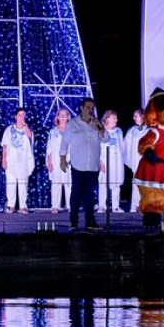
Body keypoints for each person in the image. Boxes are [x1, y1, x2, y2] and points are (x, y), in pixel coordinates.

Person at [60, 98, 102, 231]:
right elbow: (65, 142)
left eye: (92, 107)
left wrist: (98, 125)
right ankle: (74, 222)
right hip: (78, 165)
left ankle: (90, 221)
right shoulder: (73, 123)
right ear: (81, 108)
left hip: (93, 165)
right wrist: (62, 159)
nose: (90, 110)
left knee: (90, 195)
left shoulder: (96, 123)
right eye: (88, 107)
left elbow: (106, 138)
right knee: (76, 194)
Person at [1, 107, 35, 213]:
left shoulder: (27, 129)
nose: (22, 117)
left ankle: (23, 206)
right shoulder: (9, 129)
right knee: (11, 183)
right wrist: (4, 159)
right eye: (20, 115)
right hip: (11, 160)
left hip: (23, 161)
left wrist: (25, 126)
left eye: (24, 115)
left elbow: (30, 137)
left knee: (23, 184)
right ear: (15, 117)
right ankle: (11, 205)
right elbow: (5, 146)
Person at [97, 110, 126, 213]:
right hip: (104, 161)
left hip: (117, 162)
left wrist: (124, 160)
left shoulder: (118, 131)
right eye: (114, 118)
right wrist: (99, 162)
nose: (116, 120)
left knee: (116, 184)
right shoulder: (100, 130)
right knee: (103, 183)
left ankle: (116, 206)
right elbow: (96, 148)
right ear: (107, 118)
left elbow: (122, 147)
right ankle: (102, 206)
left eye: (116, 118)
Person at [46, 108, 73, 213]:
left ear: (68, 117)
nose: (62, 117)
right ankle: (55, 206)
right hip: (56, 160)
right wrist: (49, 161)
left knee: (69, 183)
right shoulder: (53, 132)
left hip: (68, 160)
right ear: (57, 117)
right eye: (60, 115)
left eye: (65, 115)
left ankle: (70, 205)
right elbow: (49, 148)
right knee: (56, 183)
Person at [124, 109, 150, 212]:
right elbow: (127, 145)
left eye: (136, 116)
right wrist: (128, 160)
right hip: (136, 161)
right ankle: (134, 205)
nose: (134, 118)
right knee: (135, 183)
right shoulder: (132, 130)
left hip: (146, 162)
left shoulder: (149, 130)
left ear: (143, 117)